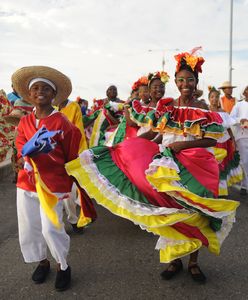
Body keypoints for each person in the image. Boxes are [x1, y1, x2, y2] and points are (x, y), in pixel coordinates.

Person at [65, 50, 239, 284]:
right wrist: (134, 144)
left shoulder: (204, 106)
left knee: (196, 212)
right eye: (181, 80)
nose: (185, 84)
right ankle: (174, 260)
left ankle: (194, 262)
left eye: (190, 80)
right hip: (169, 163)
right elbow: (159, 134)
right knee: (167, 209)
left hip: (199, 165)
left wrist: (182, 145)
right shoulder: (167, 106)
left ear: (196, 82)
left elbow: (211, 140)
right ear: (176, 84)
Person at [12, 66, 82, 291]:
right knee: (30, 227)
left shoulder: (62, 122)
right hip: (27, 183)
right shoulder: (24, 122)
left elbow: (72, 153)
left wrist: (71, 178)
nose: (39, 91)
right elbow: (20, 145)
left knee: (51, 228)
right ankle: (42, 262)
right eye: (35, 88)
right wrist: (26, 153)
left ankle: (63, 265)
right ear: (30, 95)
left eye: (45, 88)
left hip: (52, 184)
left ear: (54, 95)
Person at [58, 98, 96, 231]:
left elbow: (77, 131)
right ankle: (56, 225)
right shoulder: (49, 107)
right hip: (52, 156)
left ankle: (73, 220)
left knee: (69, 190)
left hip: (70, 153)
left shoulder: (73, 107)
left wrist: (77, 154)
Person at [208, 86, 243, 196]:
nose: (214, 99)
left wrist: (233, 140)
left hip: (224, 142)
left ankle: (222, 191)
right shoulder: (205, 111)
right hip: (211, 142)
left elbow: (228, 127)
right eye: (212, 97)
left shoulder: (223, 112)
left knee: (222, 166)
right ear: (209, 98)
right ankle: (211, 189)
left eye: (216, 97)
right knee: (212, 166)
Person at [230, 86, 248, 195]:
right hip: (242, 136)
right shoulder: (239, 105)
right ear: (244, 92)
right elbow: (231, 118)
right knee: (244, 161)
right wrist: (240, 120)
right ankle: (245, 186)